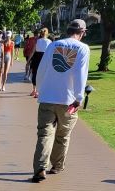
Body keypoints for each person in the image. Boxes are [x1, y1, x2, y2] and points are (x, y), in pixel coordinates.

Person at [31, 19, 90, 182]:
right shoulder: (83, 48)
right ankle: (56, 165)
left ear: (68, 30)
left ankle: (40, 168)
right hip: (68, 100)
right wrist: (79, 97)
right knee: (63, 135)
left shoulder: (52, 45)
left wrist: (40, 90)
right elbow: (80, 74)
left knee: (44, 134)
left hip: (48, 97)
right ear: (83, 32)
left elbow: (42, 69)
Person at [29, 27, 50, 97]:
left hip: (36, 58)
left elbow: (32, 52)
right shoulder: (49, 42)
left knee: (35, 74)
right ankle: (39, 91)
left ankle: (34, 90)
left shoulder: (38, 41)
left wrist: (29, 60)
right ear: (47, 34)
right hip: (44, 59)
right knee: (43, 74)